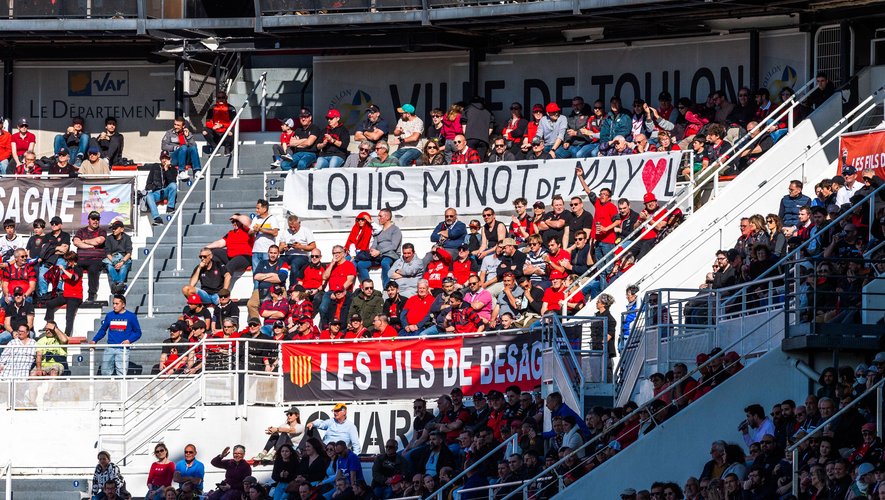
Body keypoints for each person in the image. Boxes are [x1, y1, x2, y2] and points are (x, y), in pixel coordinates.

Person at [91, 294, 142, 376]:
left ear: (123, 305)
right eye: (113, 303)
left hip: (123, 349)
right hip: (110, 347)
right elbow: (103, 330)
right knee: (105, 372)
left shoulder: (131, 316)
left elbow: (138, 332)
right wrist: (94, 340)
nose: (114, 306)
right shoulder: (109, 315)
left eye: (117, 304)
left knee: (121, 374)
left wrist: (129, 340)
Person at [355, 208, 401, 287]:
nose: (378, 218)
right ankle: (367, 286)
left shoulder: (395, 230)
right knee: (361, 264)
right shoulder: (379, 230)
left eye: (380, 216)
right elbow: (374, 243)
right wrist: (372, 250)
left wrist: (379, 252)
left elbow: (394, 246)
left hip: (391, 255)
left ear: (387, 217)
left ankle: (386, 287)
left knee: (385, 263)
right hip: (378, 256)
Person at [43, 251, 83, 336]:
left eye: (67, 261)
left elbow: (74, 278)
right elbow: (60, 279)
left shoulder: (78, 268)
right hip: (66, 295)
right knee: (50, 304)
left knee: (69, 316)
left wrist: (63, 270)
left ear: (72, 261)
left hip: (75, 296)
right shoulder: (68, 269)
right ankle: (49, 323)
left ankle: (67, 334)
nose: (66, 263)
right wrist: (53, 271)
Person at [73, 210, 107, 303]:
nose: (95, 221)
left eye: (97, 219)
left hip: (95, 259)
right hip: (81, 259)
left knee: (93, 270)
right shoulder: (81, 230)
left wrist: (84, 241)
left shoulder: (102, 231)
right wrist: (91, 245)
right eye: (93, 219)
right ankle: (75, 296)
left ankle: (92, 295)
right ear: (88, 220)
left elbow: (99, 241)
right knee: (74, 270)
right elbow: (76, 242)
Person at [278, 214, 316, 285]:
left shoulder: (305, 231)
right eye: (290, 227)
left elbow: (313, 246)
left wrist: (301, 247)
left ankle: (293, 287)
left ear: (299, 223)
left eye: (295, 227)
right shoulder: (285, 232)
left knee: (295, 264)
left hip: (301, 255)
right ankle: (280, 286)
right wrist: (284, 247)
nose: (292, 229)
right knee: (278, 262)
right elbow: (279, 250)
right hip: (287, 255)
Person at [144, 151, 178, 226]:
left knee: (173, 185)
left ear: (169, 159)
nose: (164, 160)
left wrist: (166, 169)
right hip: (157, 192)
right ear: (160, 159)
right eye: (163, 158)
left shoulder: (173, 169)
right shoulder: (155, 167)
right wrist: (155, 187)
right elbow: (148, 184)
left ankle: (170, 208)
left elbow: (172, 182)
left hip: (166, 191)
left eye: (166, 158)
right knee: (149, 196)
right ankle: (157, 218)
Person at [250, 198, 280, 272]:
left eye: (258, 208)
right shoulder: (255, 219)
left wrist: (261, 229)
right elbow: (249, 233)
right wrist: (254, 230)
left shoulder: (272, 219)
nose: (256, 210)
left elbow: (275, 233)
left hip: (267, 251)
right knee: (256, 274)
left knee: (268, 272)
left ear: (264, 209)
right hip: (256, 250)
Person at [202, 90, 236, 156]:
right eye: (219, 98)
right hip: (215, 132)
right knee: (204, 131)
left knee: (231, 130)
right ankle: (215, 147)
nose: (221, 99)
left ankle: (227, 148)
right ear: (216, 98)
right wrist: (213, 127)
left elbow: (233, 123)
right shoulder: (212, 108)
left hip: (225, 132)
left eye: (222, 97)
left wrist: (222, 125)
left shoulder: (231, 108)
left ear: (226, 98)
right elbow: (208, 122)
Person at [104, 220, 132, 295]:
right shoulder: (109, 238)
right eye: (113, 228)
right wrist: (114, 262)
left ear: (122, 229)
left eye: (116, 228)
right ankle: (120, 284)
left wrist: (122, 262)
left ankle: (117, 285)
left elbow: (129, 253)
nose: (113, 230)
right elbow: (108, 253)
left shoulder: (127, 238)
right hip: (112, 258)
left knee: (124, 266)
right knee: (109, 266)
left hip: (124, 258)